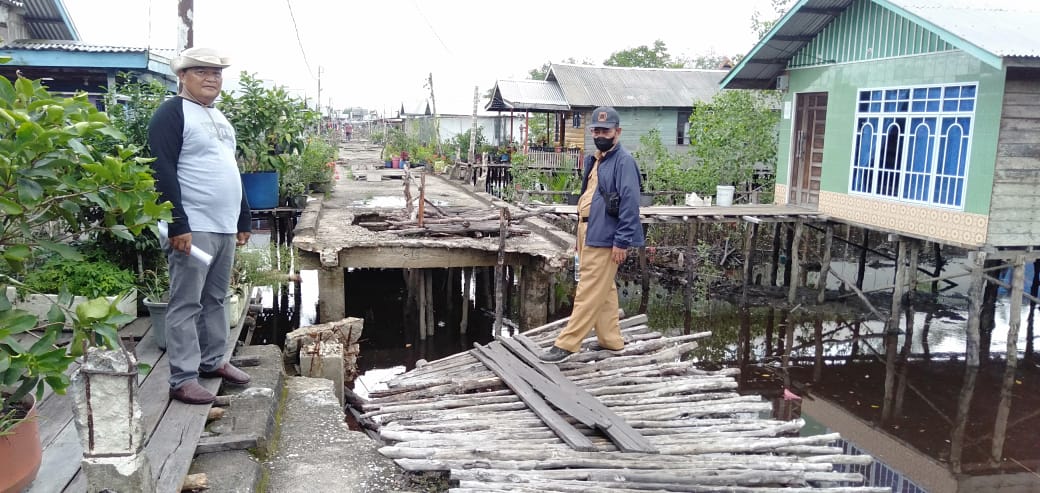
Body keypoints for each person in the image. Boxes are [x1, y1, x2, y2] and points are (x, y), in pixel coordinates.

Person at [149, 47, 253, 405]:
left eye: (217, 73)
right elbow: (160, 169)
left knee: (216, 298)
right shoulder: (171, 113)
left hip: (223, 226)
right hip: (193, 227)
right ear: (182, 76)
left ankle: (213, 362)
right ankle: (182, 378)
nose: (211, 78)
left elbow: (230, 171)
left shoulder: (220, 118)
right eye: (201, 72)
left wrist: (243, 216)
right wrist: (177, 223)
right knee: (186, 302)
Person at [540, 106, 644, 363]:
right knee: (604, 288)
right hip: (587, 229)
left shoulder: (623, 161)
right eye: (596, 130)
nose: (600, 134)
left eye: (605, 130)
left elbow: (630, 204)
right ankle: (611, 340)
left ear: (617, 132)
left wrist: (622, 240)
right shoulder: (597, 159)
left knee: (588, 289)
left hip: (606, 235)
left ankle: (567, 344)